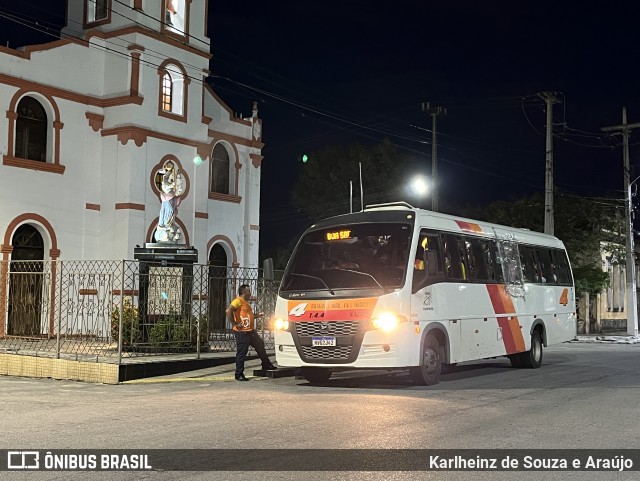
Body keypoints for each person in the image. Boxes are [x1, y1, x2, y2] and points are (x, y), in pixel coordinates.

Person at [226, 284, 277, 381]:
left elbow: (249, 315)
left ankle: (266, 364)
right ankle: (239, 374)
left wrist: (258, 315)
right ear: (244, 292)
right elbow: (228, 311)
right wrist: (235, 323)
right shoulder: (238, 301)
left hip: (250, 331)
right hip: (242, 332)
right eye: (249, 291)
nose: (250, 293)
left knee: (260, 345)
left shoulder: (246, 303)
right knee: (242, 353)